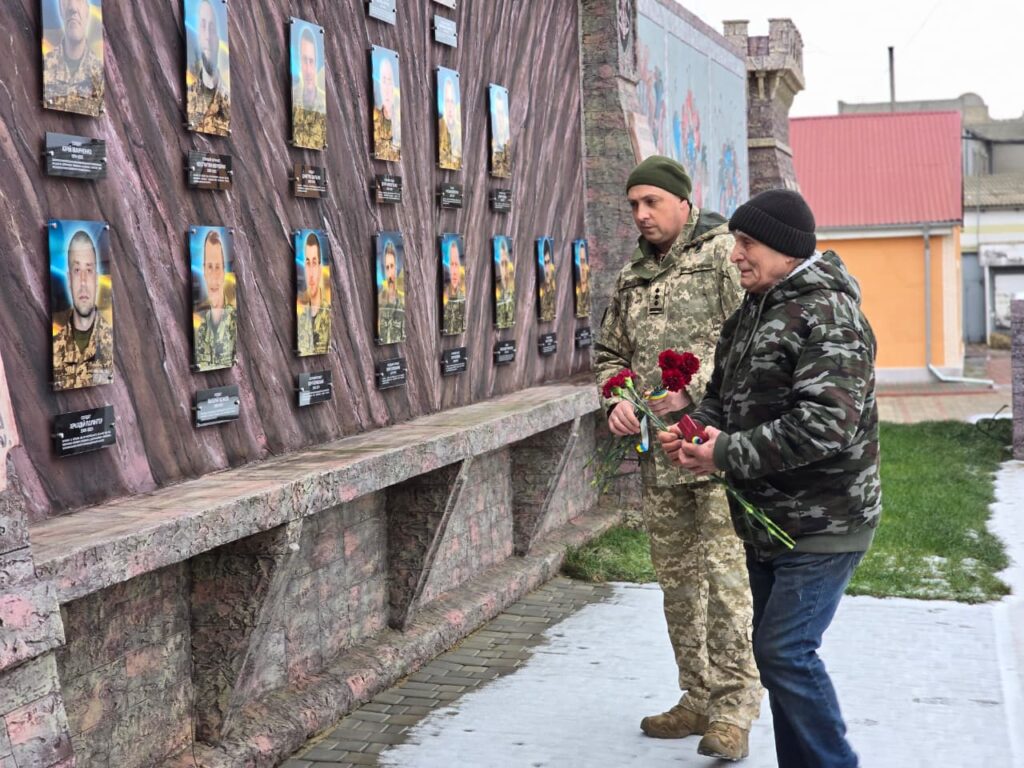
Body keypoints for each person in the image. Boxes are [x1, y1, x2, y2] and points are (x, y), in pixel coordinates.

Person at [658, 188, 880, 768]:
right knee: (778, 653)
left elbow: (825, 426)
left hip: (824, 521)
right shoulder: (752, 312)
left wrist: (726, 454)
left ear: (785, 250)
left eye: (746, 243)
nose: (735, 254)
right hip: (769, 524)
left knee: (784, 652)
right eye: (736, 241)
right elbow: (720, 400)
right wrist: (694, 431)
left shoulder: (829, 314)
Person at [594, 155, 759, 761]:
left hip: (715, 454)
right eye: (633, 205)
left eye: (652, 203)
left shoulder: (722, 256)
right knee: (678, 586)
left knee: (726, 584)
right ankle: (695, 697)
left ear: (683, 202)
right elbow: (610, 350)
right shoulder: (631, 276)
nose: (641, 215)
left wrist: (700, 397)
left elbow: (752, 340)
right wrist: (619, 398)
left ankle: (734, 711)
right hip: (660, 462)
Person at [52, 230, 113, 390]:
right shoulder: (56, 346)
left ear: (97, 279)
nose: (84, 282)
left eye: (89, 270)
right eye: (77, 271)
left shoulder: (110, 342)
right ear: (69, 279)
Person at [44, 0, 104, 116]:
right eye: (66, 1)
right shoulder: (46, 66)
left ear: (87, 11)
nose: (73, 8)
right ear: (61, 10)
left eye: (79, 1)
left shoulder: (98, 73)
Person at [194, 230, 236, 370]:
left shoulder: (233, 317)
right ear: (204, 271)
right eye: (209, 267)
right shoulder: (199, 323)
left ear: (224, 271)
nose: (213, 276)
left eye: (217, 267)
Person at [187, 0, 230, 135]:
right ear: (198, 37)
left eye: (212, 29)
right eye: (203, 26)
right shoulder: (191, 94)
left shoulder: (227, 98)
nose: (207, 36)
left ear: (217, 40)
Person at [293, 27, 326, 149]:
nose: (308, 70)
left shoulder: (323, 101)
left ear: (317, 63)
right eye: (304, 60)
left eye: (311, 61)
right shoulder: (293, 97)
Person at [297, 232, 330, 356]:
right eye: (308, 263)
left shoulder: (327, 312)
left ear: (320, 269)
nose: (310, 273)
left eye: (314, 263)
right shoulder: (302, 317)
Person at [373, 55, 400, 161]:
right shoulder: (375, 118)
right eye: (384, 81)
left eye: (390, 81)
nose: (387, 88)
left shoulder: (399, 120)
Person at [377, 241, 405, 344]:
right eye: (387, 267)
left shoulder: (402, 300)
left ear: (396, 267)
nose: (390, 272)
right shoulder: (380, 299)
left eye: (392, 266)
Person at [442, 238, 466, 335]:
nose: (455, 271)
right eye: (452, 264)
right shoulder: (444, 296)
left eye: (457, 265)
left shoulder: (462, 296)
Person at [438, 75, 462, 169]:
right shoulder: (439, 126)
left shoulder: (459, 130)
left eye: (452, 101)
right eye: (447, 101)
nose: (450, 107)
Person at [494, 238, 515, 329]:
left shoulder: (512, 289)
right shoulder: (497, 288)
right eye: (502, 264)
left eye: (506, 263)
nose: (505, 268)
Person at [490, 91, 511, 177]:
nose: (500, 118)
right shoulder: (493, 141)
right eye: (498, 113)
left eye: (502, 113)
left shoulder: (507, 142)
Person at [537, 239, 556, 322]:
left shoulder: (553, 287)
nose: (547, 268)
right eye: (545, 263)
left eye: (548, 262)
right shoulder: (541, 289)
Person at [575, 241, 591, 318]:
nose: (583, 268)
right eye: (581, 262)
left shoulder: (590, 288)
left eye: (584, 262)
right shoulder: (576, 288)